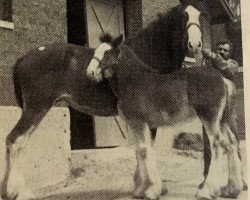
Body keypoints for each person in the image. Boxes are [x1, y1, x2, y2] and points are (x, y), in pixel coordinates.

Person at [199, 40, 247, 189]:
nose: (221, 52)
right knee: (208, 145)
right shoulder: (209, 66)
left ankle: (239, 177)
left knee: (234, 143)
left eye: (224, 50)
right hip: (211, 113)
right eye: (219, 49)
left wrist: (212, 55)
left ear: (229, 53)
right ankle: (207, 177)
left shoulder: (232, 64)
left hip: (228, 112)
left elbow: (225, 67)